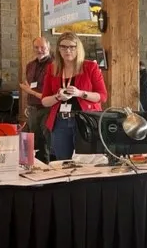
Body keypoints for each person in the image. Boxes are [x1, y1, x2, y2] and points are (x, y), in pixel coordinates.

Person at [41, 32, 107, 160]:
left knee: (86, 161)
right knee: (63, 161)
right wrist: (58, 97)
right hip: (60, 122)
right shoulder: (52, 69)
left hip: (85, 121)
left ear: (78, 48)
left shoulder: (90, 67)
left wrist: (80, 93)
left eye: (72, 47)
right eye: (64, 47)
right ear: (58, 49)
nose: (68, 50)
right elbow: (44, 101)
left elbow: (102, 96)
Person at [20, 37, 54, 163]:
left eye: (42, 47)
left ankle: (49, 169)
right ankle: (37, 168)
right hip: (33, 107)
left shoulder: (54, 65)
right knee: (35, 140)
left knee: (47, 141)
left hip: (48, 108)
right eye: (36, 47)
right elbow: (28, 85)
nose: (39, 50)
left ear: (48, 47)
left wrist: (31, 91)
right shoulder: (30, 65)